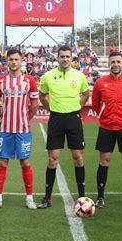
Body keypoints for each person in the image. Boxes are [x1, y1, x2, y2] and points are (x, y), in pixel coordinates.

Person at [37, 45, 90, 209]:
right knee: (53, 159)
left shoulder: (80, 76)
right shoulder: (47, 77)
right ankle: (47, 198)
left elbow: (86, 94)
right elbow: (42, 95)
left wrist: (78, 107)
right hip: (56, 119)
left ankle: (82, 198)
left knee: (78, 158)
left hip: (74, 119)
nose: (65, 59)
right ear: (57, 58)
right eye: (62, 56)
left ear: (72, 58)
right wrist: (50, 108)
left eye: (68, 56)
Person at [91, 52, 122, 208]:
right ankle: (100, 197)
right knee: (104, 161)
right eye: (113, 62)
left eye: (118, 61)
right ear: (109, 64)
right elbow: (95, 103)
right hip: (106, 127)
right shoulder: (100, 83)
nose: (115, 64)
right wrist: (104, 115)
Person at [0, 49, 39, 210]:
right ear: (7, 61)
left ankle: (29, 198)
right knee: (2, 161)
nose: (13, 62)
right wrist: (3, 117)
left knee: (25, 162)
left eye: (16, 59)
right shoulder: (0, 81)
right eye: (10, 59)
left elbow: (34, 105)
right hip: (5, 129)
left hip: (23, 130)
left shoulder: (29, 81)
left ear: (21, 60)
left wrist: (24, 118)